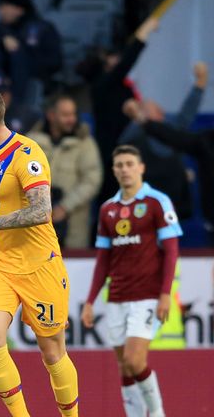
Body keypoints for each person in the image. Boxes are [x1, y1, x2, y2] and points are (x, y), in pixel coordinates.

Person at [0, 85, 79, 416]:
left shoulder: (27, 155)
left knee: (53, 354)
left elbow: (41, 211)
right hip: (0, 263)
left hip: (40, 265)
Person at [81, 145, 181, 417]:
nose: (124, 169)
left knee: (135, 361)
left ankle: (158, 412)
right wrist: (90, 301)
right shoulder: (107, 209)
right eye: (119, 165)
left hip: (147, 295)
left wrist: (164, 294)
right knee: (124, 367)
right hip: (116, 297)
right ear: (114, 170)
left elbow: (171, 250)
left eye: (129, 164)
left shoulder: (156, 202)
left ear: (141, 168)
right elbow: (103, 260)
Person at [80, 16, 158, 203]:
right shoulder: (102, 85)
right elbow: (125, 64)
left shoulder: (120, 86)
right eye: (113, 56)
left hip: (129, 150)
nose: (118, 59)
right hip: (111, 155)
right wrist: (142, 35)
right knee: (111, 205)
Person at [137, 63, 214, 244]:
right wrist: (144, 122)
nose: (163, 113)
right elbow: (175, 135)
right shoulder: (207, 141)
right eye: (156, 111)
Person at [27, 94, 102, 248]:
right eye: (65, 115)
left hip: (73, 229)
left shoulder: (85, 143)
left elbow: (92, 180)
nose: (71, 119)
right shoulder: (30, 142)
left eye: (73, 114)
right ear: (51, 115)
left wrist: (65, 207)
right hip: (35, 227)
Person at [0, 0, 62, 105]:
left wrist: (21, 52)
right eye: (0, 7)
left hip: (33, 82)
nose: (1, 11)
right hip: (2, 84)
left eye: (6, 7)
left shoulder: (43, 28)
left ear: (20, 8)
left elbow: (55, 61)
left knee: (17, 54)